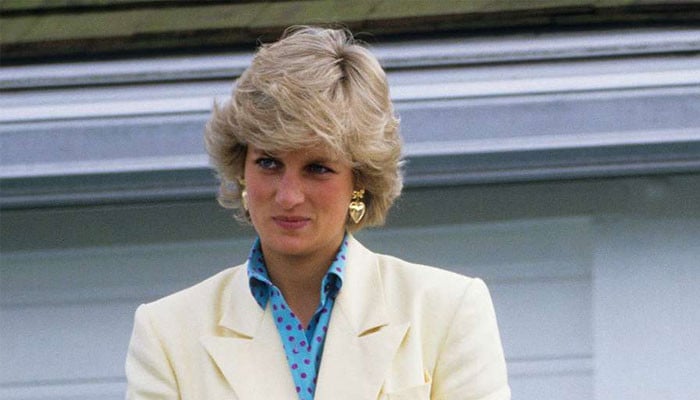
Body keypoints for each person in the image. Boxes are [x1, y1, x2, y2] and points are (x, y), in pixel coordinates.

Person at [125, 26, 510, 400]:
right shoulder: (167, 332)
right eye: (269, 163)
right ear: (240, 169)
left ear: (360, 179)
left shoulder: (447, 311)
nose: (288, 196)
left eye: (318, 168)